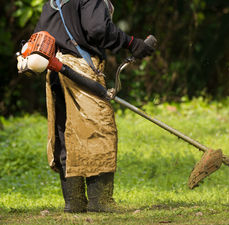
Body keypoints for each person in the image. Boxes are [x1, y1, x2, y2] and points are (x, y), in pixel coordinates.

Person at [34, 0, 154, 213]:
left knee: (65, 132)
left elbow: (40, 35)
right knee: (100, 129)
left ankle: (75, 202)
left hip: (55, 72)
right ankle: (101, 201)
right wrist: (132, 42)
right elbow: (98, 30)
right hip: (80, 68)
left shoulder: (53, 1)